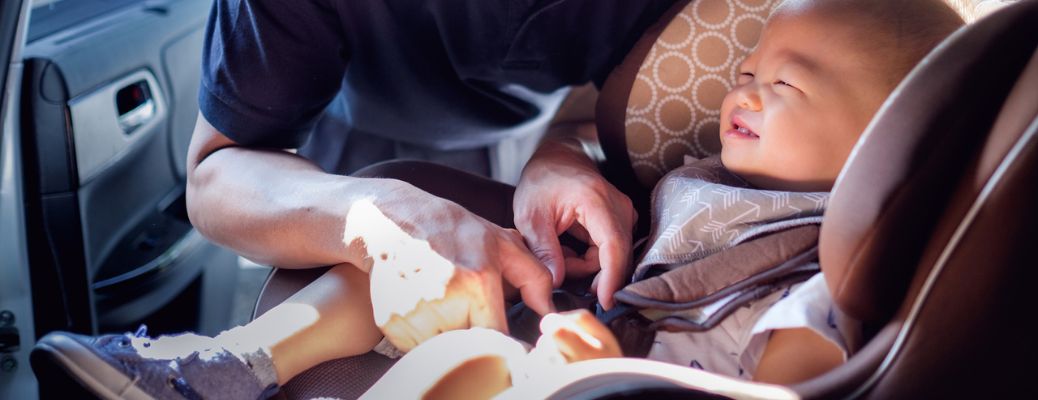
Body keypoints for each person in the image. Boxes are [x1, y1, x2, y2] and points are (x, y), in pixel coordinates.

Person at [29, 0, 963, 398]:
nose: (741, 92)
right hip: (365, 117)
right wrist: (370, 213)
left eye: (782, 86)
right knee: (378, 242)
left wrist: (561, 156)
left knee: (472, 350)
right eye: (748, 74)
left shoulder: (827, 244)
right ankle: (220, 368)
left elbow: (630, 110)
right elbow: (223, 168)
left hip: (615, 346)